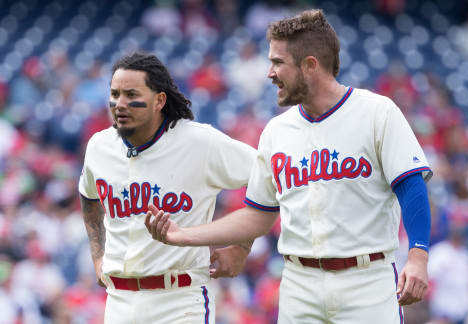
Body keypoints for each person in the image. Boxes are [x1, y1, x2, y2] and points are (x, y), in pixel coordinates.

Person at [145, 9, 433, 324]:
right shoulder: (276, 132)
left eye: (278, 62)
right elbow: (257, 214)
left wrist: (418, 256)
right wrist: (187, 235)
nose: (270, 72)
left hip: (368, 281)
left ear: (310, 65)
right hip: (299, 283)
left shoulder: (376, 112)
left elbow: (411, 185)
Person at [78, 52, 256, 324]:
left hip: (179, 299)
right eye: (115, 94)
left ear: (159, 100)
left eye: (131, 94)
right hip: (118, 302)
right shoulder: (99, 146)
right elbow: (88, 196)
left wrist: (241, 247)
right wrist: (98, 254)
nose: (120, 103)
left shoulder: (199, 142)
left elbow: (270, 177)